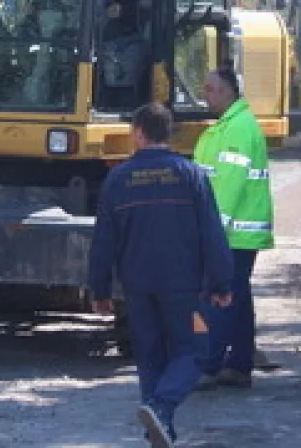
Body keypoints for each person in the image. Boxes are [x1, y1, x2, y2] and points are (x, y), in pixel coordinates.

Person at [88, 102, 233, 448]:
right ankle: (161, 406)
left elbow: (104, 238)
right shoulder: (190, 175)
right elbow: (211, 232)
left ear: (139, 133)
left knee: (149, 354)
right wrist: (221, 281)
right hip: (184, 285)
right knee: (194, 350)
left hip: (137, 284)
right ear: (166, 133)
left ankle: (160, 429)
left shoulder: (118, 179)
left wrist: (99, 289)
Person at [193, 66, 274, 391]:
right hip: (238, 232)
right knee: (236, 298)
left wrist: (213, 233)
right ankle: (239, 364)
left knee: (219, 298)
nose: (205, 94)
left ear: (228, 91)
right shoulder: (229, 126)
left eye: (211, 89)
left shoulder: (237, 129)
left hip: (232, 233)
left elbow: (228, 186)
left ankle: (209, 366)